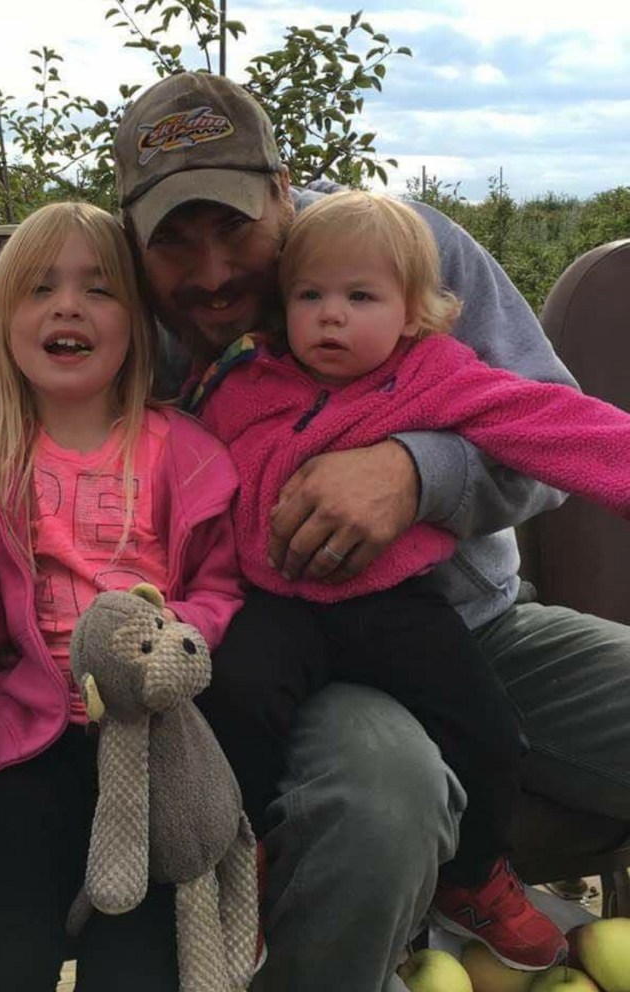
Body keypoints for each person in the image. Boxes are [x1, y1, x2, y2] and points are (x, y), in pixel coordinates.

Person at [113, 70, 630, 991]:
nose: (211, 273)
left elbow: (549, 428)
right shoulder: (129, 325)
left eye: (234, 227)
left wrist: (418, 474)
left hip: (465, 621)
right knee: (384, 798)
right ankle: (254, 905)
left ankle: (470, 890)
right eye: (172, 243)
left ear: (282, 191)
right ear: (130, 240)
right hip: (278, 638)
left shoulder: (406, 248)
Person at [0, 200, 243, 992]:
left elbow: (219, 587)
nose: (68, 306)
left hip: (154, 746)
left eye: (98, 289)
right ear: (2, 322)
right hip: (29, 742)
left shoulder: (186, 454)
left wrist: (171, 640)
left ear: (137, 323)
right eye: (39, 288)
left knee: (141, 967)